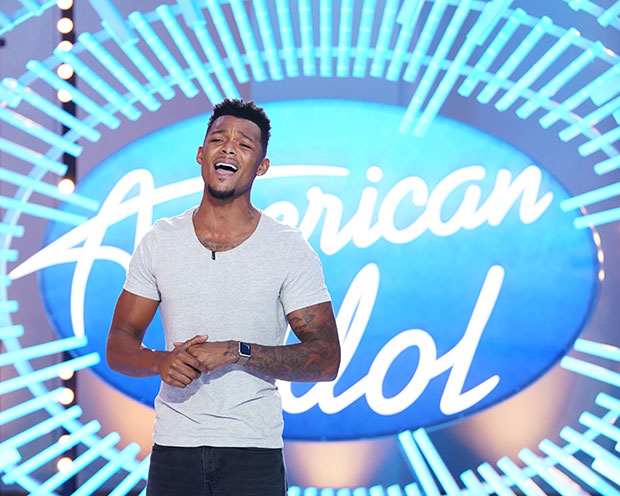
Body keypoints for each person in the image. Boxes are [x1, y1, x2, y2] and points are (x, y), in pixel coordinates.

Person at [106, 99, 341, 495]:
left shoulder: (288, 248)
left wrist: (237, 351)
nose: (229, 148)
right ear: (201, 154)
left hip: (253, 452)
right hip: (174, 449)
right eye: (218, 139)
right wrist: (161, 361)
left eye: (244, 144)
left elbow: (326, 358)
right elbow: (119, 344)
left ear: (262, 166)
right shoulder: (160, 241)